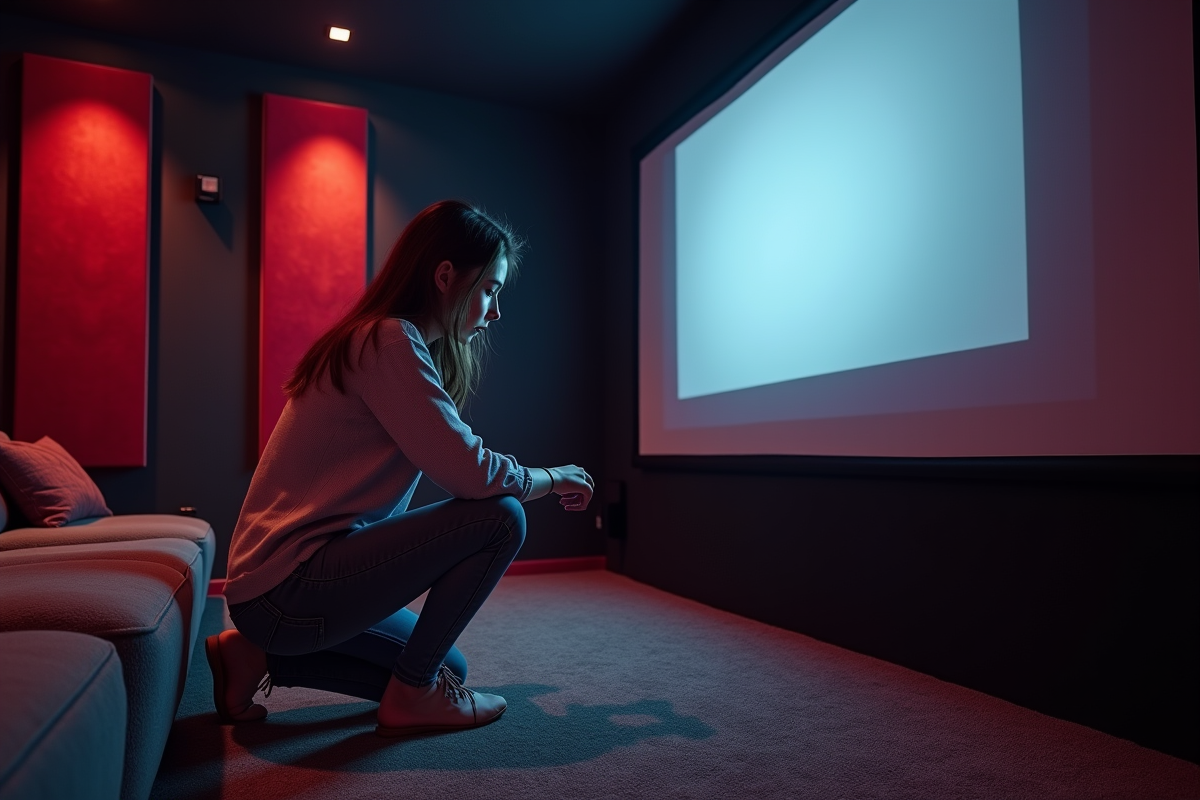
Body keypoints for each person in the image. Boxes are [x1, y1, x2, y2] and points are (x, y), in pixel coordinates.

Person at [206, 200, 593, 737]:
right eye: (490, 290)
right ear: (444, 277)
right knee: (501, 517)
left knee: (446, 667)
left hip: (271, 597)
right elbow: (471, 475)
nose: (495, 311)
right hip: (287, 588)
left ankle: (254, 658)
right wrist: (551, 477)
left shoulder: (378, 339)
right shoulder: (387, 341)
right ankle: (411, 698)